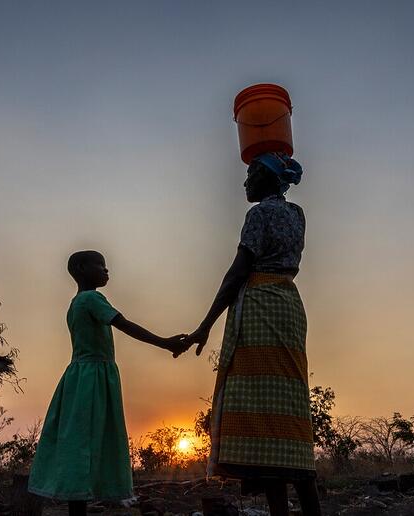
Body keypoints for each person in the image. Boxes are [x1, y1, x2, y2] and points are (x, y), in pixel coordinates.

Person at [184, 152, 322, 515]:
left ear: (268, 178)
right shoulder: (297, 215)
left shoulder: (259, 213)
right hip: (289, 305)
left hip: (260, 304)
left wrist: (205, 325)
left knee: (263, 408)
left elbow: (237, 272)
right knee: (288, 402)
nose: (245, 183)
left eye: (251, 175)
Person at [28, 250, 189, 516]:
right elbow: (124, 324)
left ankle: (76, 505)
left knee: (79, 441)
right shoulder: (92, 298)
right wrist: (165, 342)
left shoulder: (75, 303)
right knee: (88, 440)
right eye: (100, 265)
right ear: (80, 269)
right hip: (92, 379)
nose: (106, 270)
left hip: (80, 377)